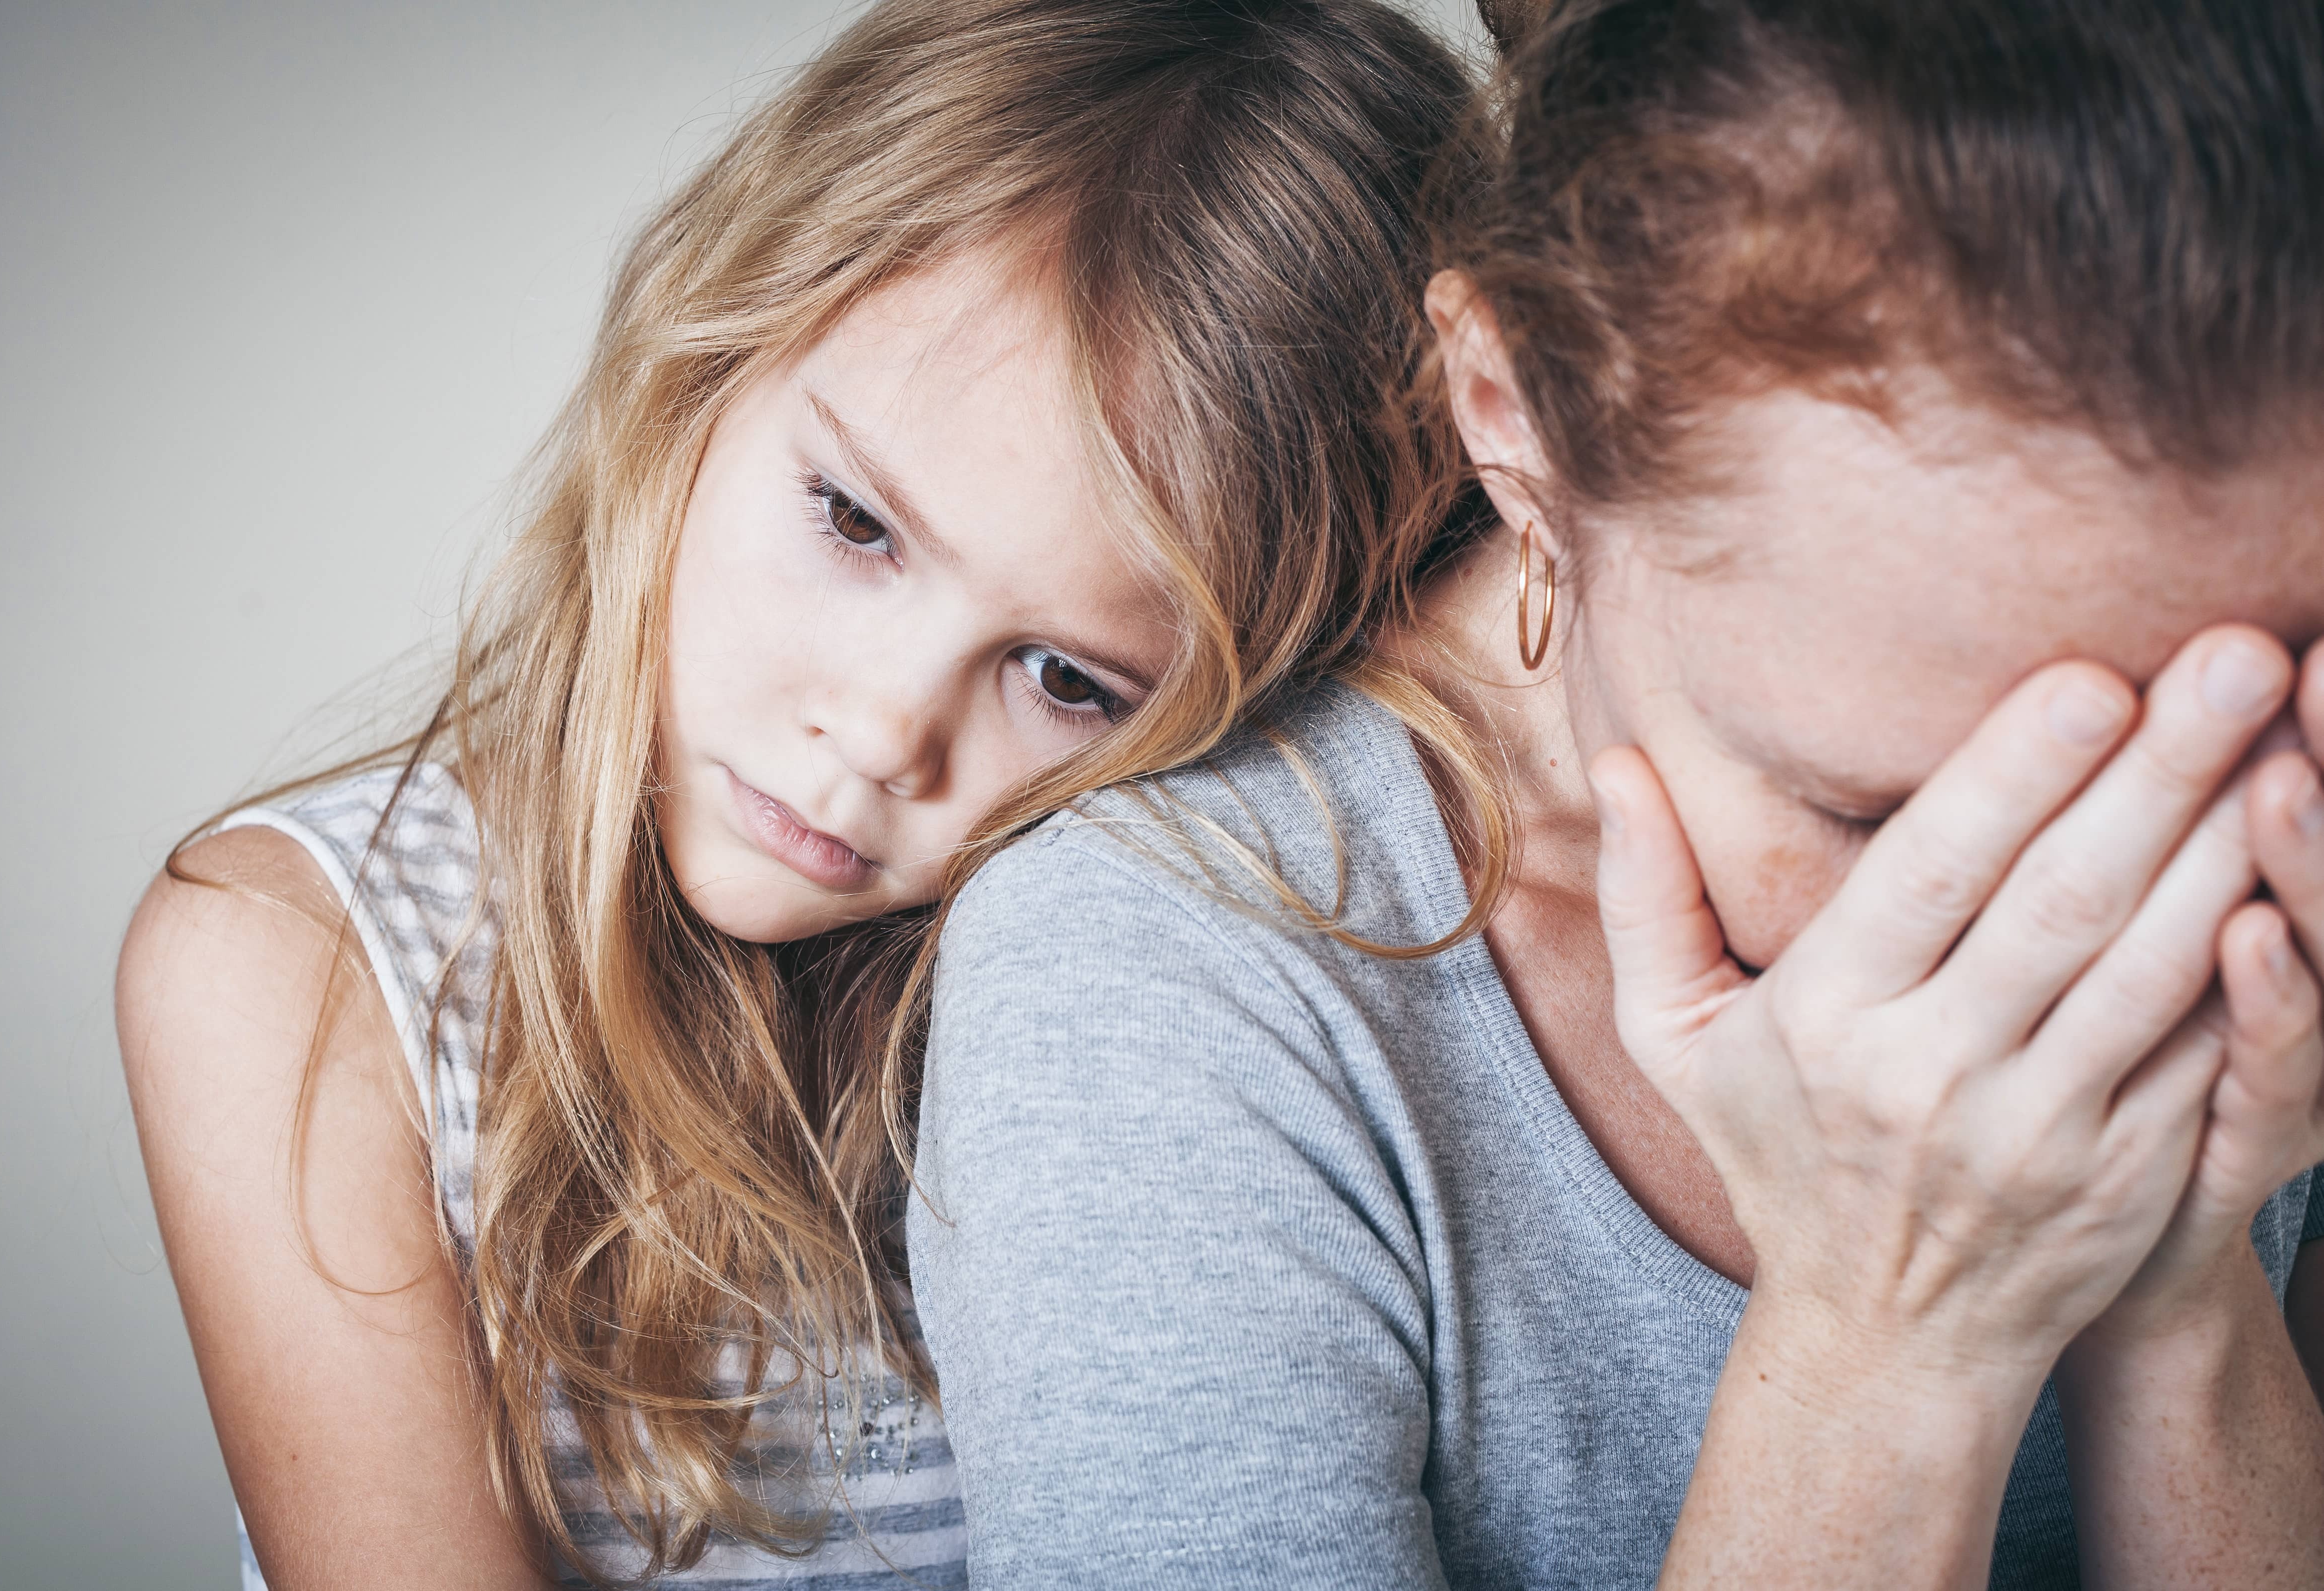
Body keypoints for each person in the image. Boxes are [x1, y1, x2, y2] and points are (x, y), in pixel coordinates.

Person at [908, 0, 2324, 1584]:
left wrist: (2178, 1278)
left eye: (2201, 790)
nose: (2083, 936)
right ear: (1515, 425)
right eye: (1874, 813)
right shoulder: (1165, 968)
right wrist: (1885, 1336)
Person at [112, 2, 1483, 1586]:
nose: (887, 732)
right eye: (854, 521)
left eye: (1067, 680)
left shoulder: (1162, 1014)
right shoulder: (295, 970)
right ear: (705, 350)